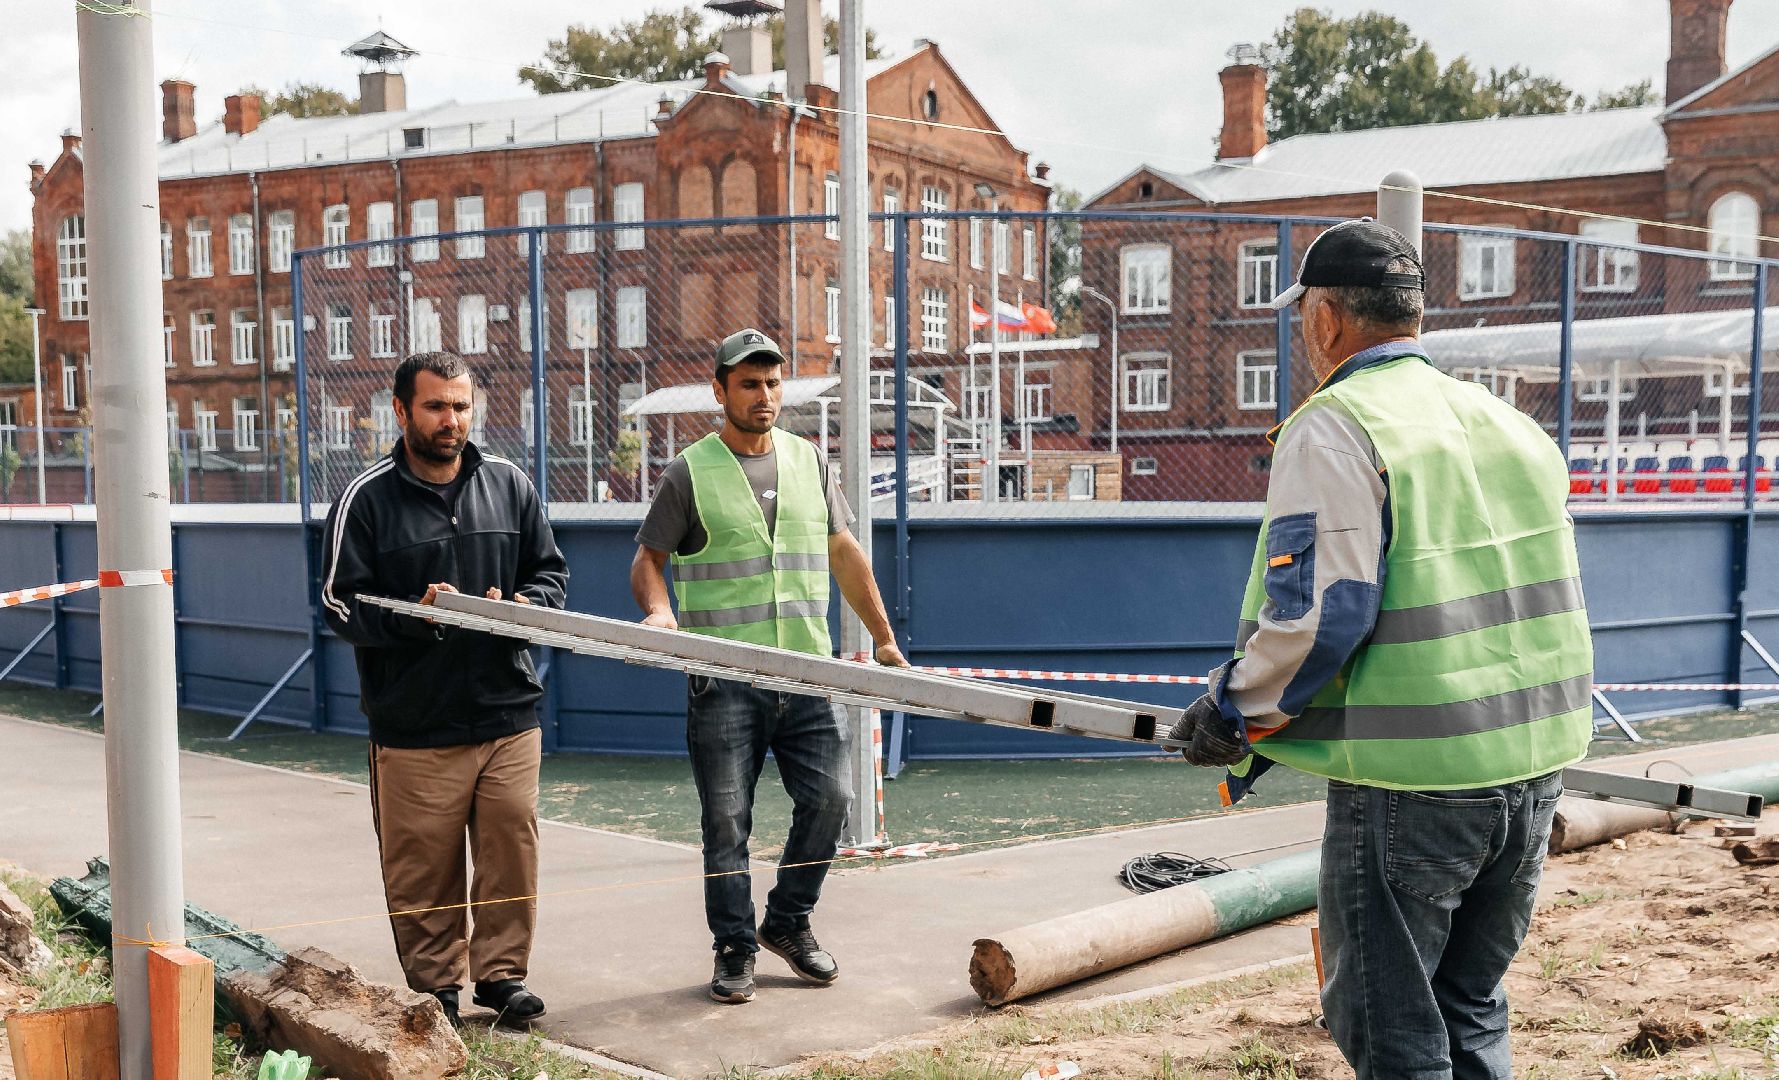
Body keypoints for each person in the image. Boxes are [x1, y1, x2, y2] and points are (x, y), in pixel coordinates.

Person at [1167, 220, 1593, 1079]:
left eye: (1303, 323)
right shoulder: (1506, 423)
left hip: (1414, 782)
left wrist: (1235, 706)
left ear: (1323, 320)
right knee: (1468, 1005)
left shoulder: (1336, 426)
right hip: (1534, 766)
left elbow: (1326, 613)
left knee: (1390, 1026)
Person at [630, 327, 908, 1005]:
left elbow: (844, 554)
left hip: (804, 675)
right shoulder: (689, 471)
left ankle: (786, 920)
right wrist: (660, 614)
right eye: (748, 383)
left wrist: (882, 639)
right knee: (727, 821)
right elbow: (647, 559)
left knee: (831, 801)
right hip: (724, 683)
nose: (763, 395)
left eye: (772, 383)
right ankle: (734, 946)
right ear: (720, 389)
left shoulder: (809, 462)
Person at [321, 351, 569, 1028]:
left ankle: (501, 977)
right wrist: (418, 616)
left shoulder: (510, 485)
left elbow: (551, 578)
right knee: (422, 869)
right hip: (413, 724)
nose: (450, 420)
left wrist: (513, 605)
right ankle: (437, 993)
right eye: (435, 406)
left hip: (507, 712)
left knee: (508, 853)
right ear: (400, 411)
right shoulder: (364, 499)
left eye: (460, 406)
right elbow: (338, 605)